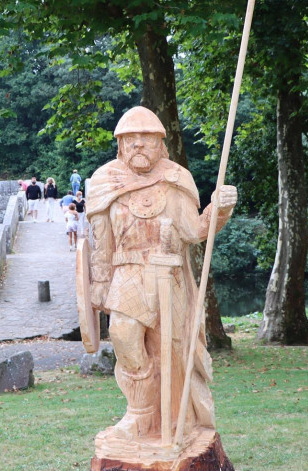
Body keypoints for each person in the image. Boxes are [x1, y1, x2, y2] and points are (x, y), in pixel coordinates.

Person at [84, 106, 236, 445]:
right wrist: (98, 282)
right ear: (120, 145)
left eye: (147, 139)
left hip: (168, 276)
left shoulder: (175, 179)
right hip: (126, 272)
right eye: (131, 139)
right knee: (123, 335)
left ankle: (174, 421)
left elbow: (195, 231)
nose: (139, 145)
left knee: (172, 348)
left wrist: (219, 209)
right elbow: (101, 240)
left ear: (160, 144)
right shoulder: (105, 182)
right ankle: (139, 416)